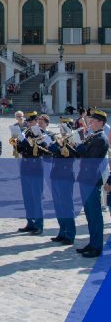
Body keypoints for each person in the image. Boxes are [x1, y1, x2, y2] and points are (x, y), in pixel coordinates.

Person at [74, 109, 109, 257]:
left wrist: (78, 144)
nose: (90, 123)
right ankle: (92, 243)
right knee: (89, 214)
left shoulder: (100, 138)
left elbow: (89, 157)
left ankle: (97, 246)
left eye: (93, 121)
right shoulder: (93, 136)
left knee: (94, 215)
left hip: (92, 180)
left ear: (101, 123)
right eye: (90, 120)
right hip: (85, 178)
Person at [15, 111, 51, 236]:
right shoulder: (26, 132)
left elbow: (43, 150)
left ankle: (39, 225)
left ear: (37, 121)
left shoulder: (42, 134)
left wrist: (24, 141)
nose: (29, 124)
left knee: (36, 197)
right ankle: (30, 222)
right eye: (28, 122)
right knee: (27, 197)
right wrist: (17, 142)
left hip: (36, 167)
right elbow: (20, 149)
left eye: (31, 122)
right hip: (25, 166)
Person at [47, 117, 76, 245]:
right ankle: (62, 231)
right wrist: (55, 143)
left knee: (67, 206)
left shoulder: (73, 142)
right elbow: (51, 149)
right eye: (60, 127)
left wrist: (62, 143)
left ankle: (70, 234)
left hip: (65, 176)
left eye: (64, 127)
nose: (61, 130)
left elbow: (67, 154)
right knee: (58, 206)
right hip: (55, 175)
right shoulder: (59, 140)